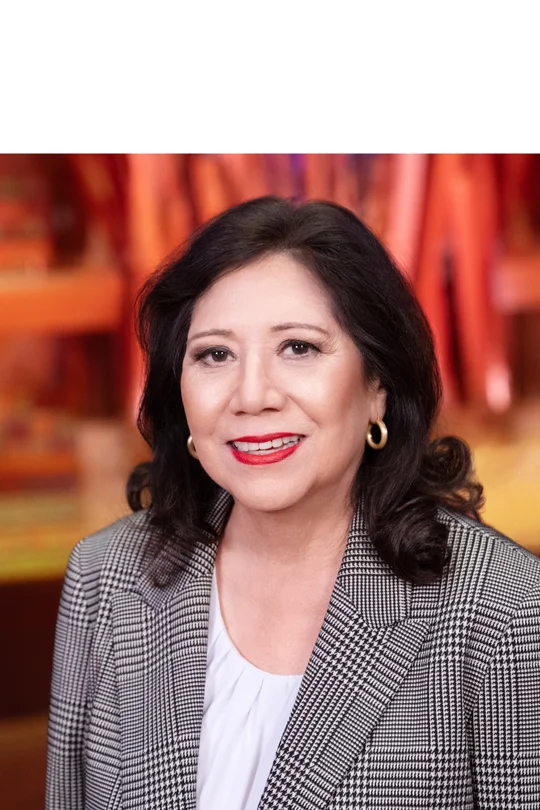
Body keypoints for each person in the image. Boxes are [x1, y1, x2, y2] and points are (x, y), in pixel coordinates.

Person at [46, 196, 540, 810]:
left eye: (299, 348)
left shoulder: (506, 610)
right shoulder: (105, 576)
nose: (252, 396)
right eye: (215, 354)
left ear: (377, 387)